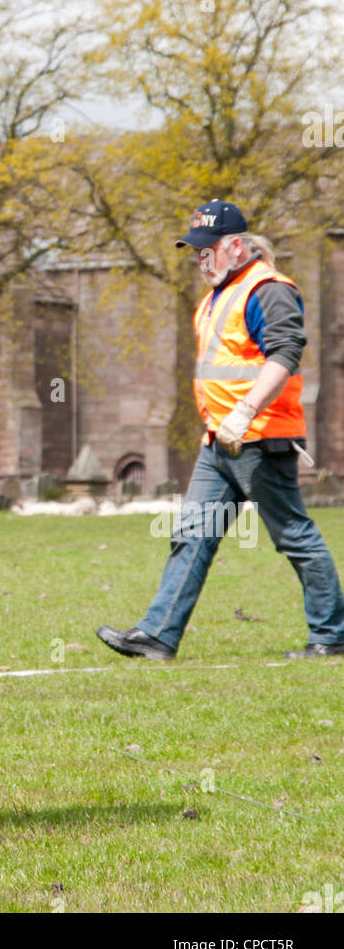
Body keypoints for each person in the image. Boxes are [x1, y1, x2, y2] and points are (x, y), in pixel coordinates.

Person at [97, 199, 344, 663]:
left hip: (261, 437)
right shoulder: (217, 296)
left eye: (206, 250)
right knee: (192, 534)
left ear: (234, 246)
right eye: (194, 251)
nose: (199, 259)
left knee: (293, 534)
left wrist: (244, 412)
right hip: (220, 440)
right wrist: (215, 422)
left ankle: (332, 635)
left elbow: (286, 354)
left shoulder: (267, 290)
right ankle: (158, 635)